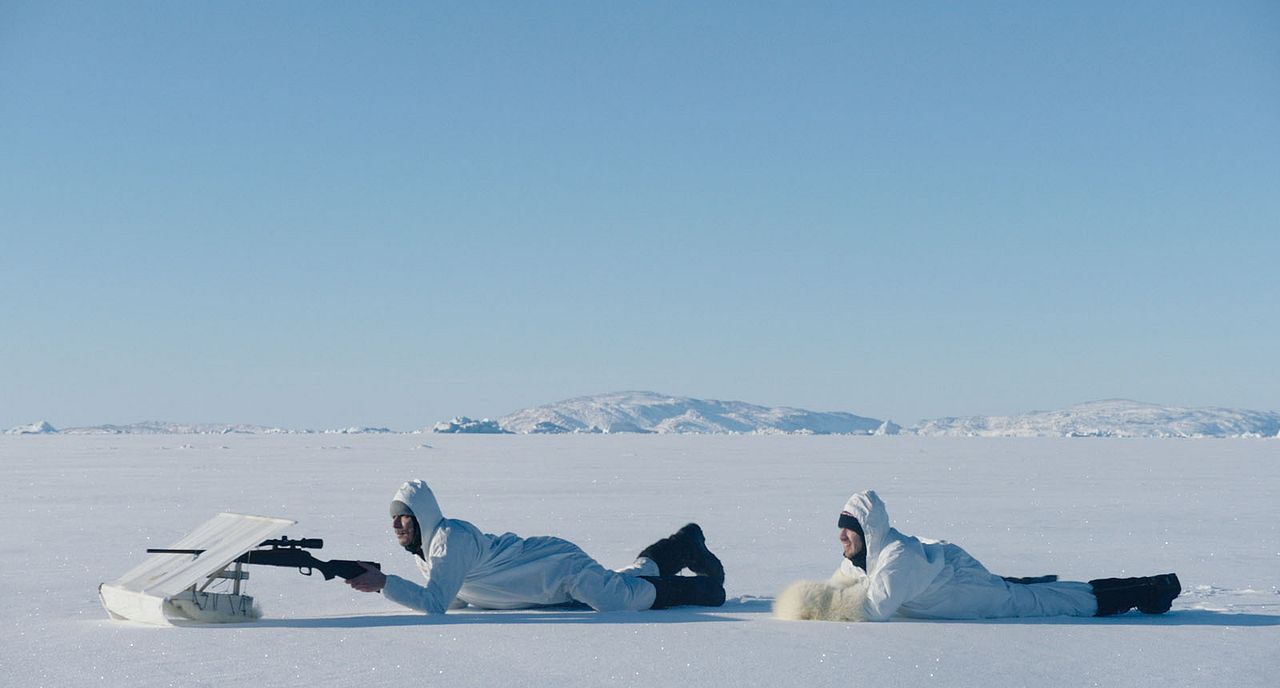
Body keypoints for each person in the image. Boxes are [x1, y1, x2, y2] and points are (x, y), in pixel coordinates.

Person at [774, 489, 1180, 622]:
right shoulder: (859, 557)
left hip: (967, 592)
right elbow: (839, 587)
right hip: (951, 579)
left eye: (851, 528)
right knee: (1030, 590)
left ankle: (1150, 590)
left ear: (869, 532)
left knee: (1051, 602)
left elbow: (874, 608)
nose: (842, 535)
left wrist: (816, 605)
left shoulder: (897, 558)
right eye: (841, 526)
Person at [347, 479, 726, 613]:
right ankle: (683, 544)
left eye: (404, 516)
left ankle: (707, 591)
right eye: (393, 517)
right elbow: (451, 597)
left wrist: (384, 584)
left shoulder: (451, 540)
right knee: (625, 581)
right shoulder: (429, 555)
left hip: (558, 569)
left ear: (422, 516)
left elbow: (435, 605)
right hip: (550, 585)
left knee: (620, 600)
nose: (396, 524)